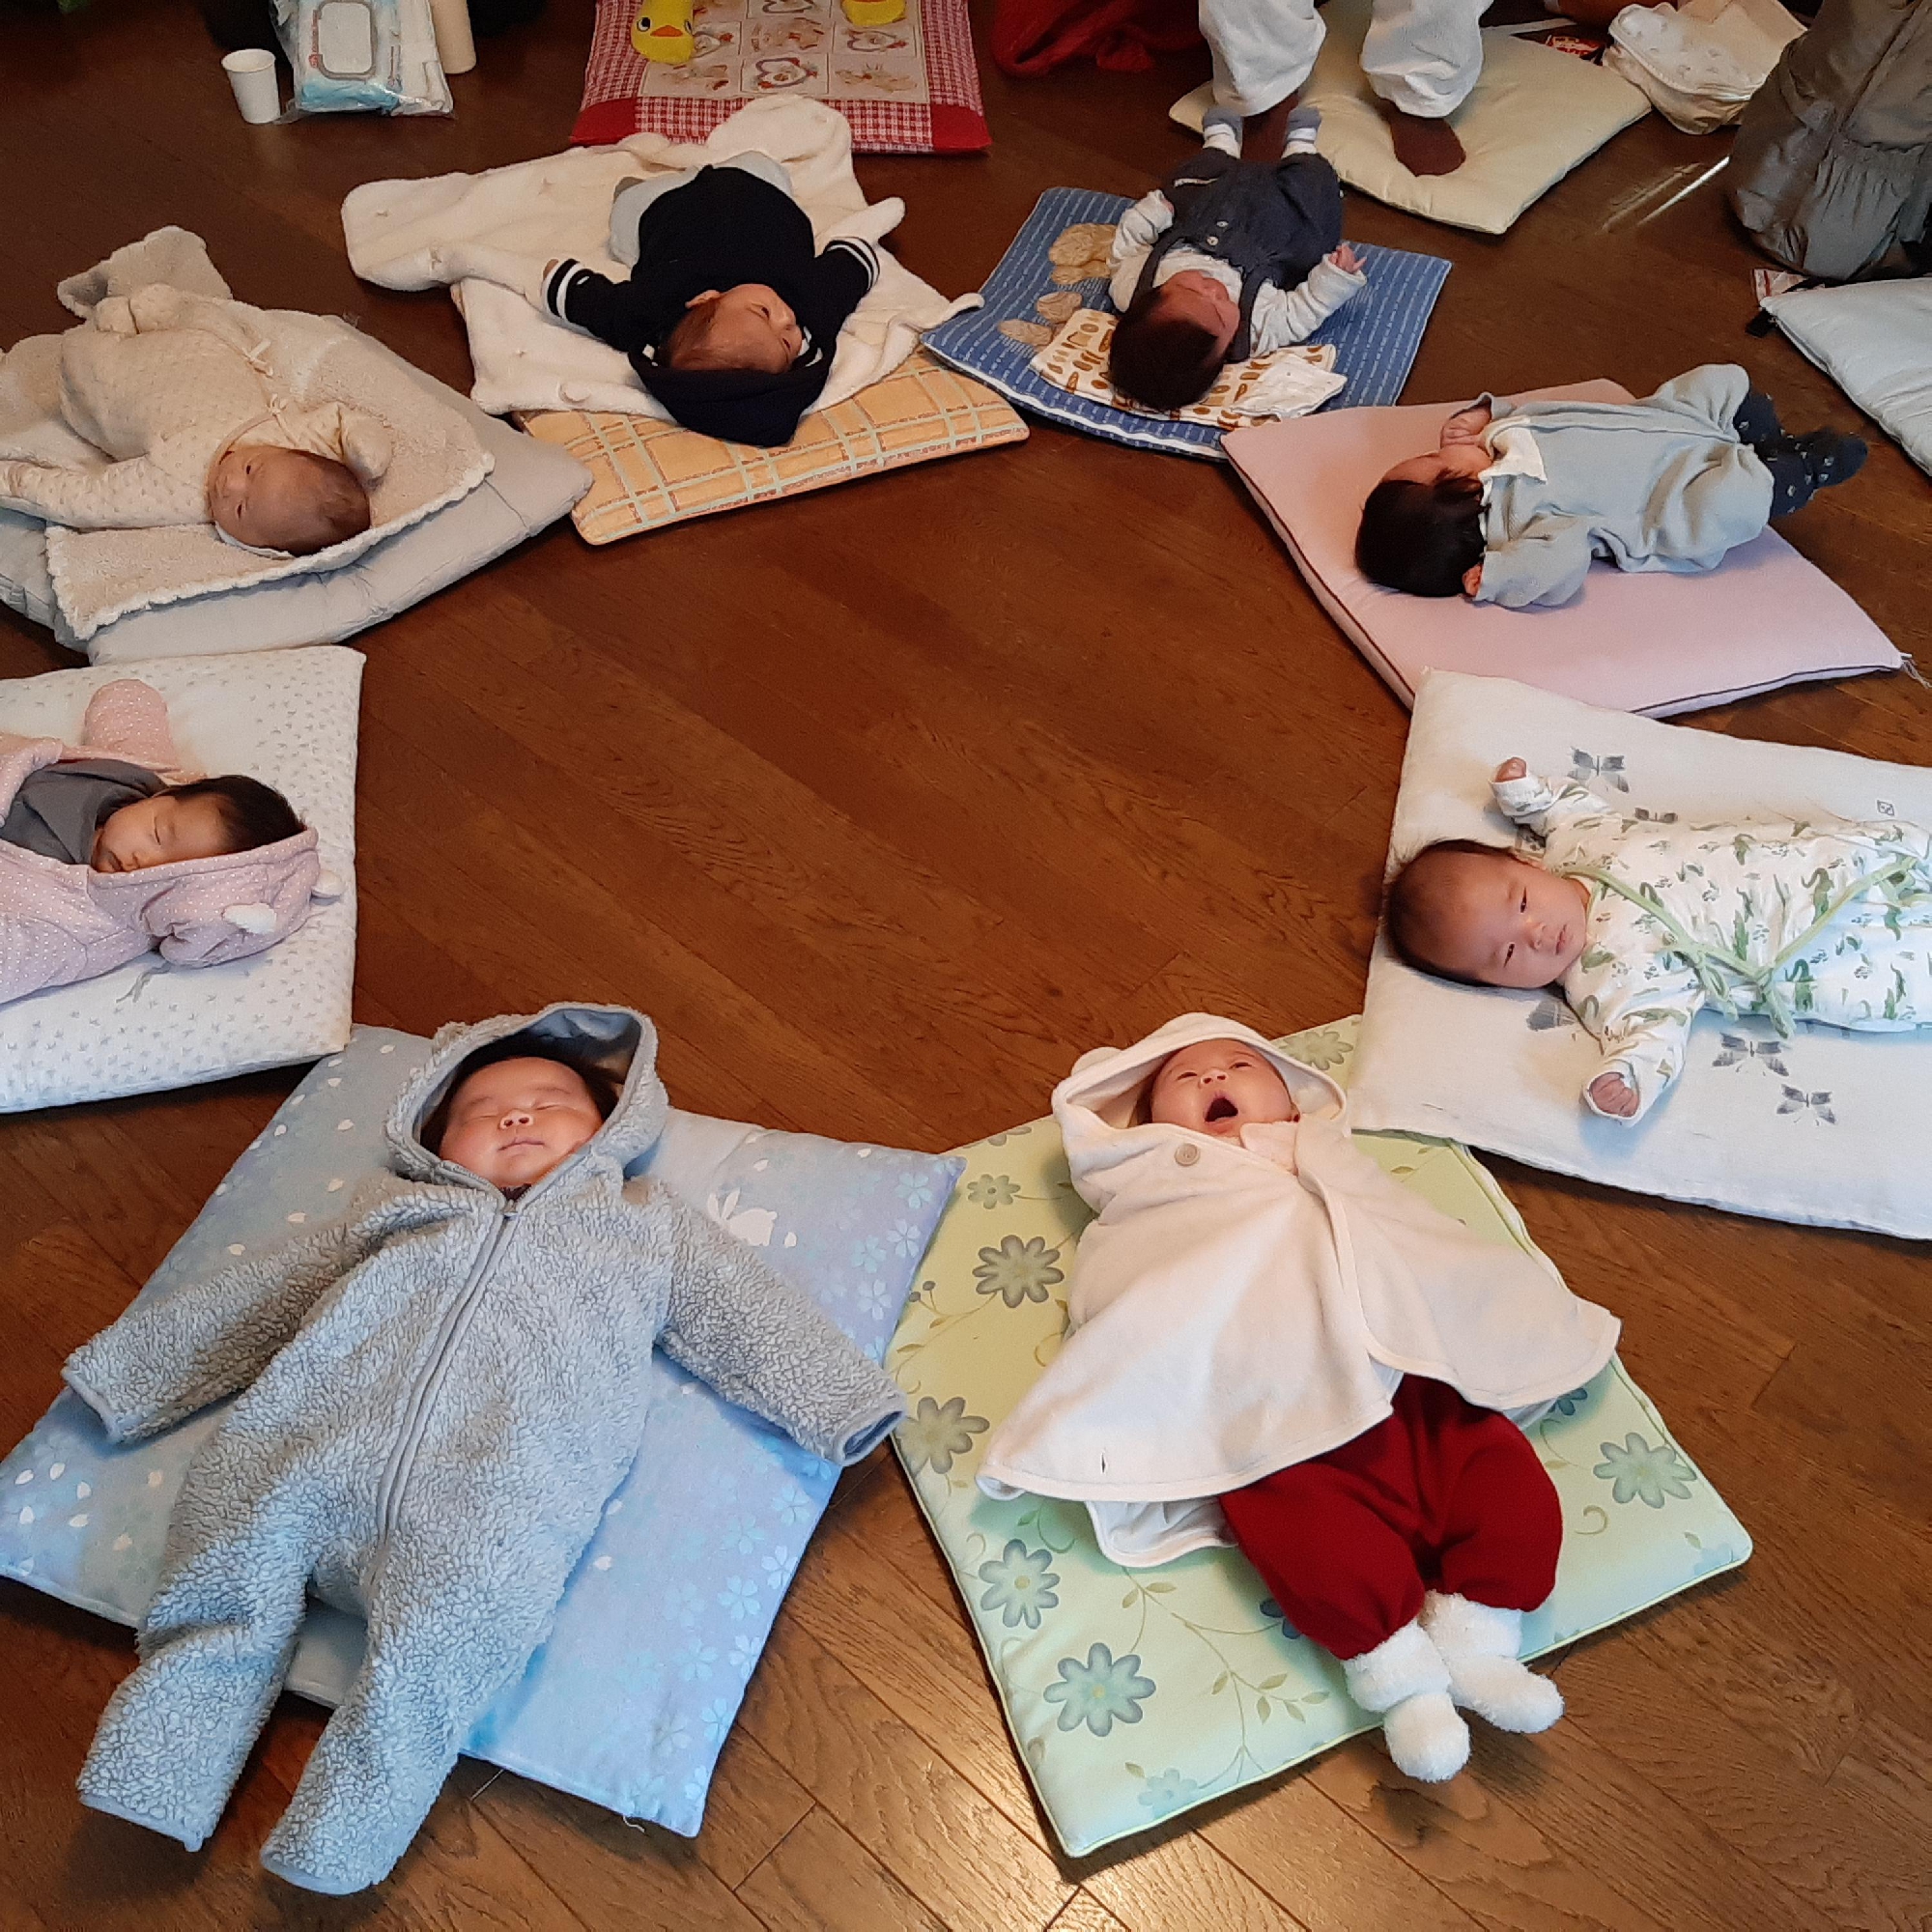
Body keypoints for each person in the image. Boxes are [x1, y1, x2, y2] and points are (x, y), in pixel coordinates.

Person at [63, 1004, 909, 1895]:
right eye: (482, 1110)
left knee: (434, 1671)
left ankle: (342, 1837)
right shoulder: (396, 1211)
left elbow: (746, 1313)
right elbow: (267, 1295)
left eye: (552, 1102)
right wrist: (137, 1372)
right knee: (218, 1591)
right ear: (432, 1137)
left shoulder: (644, 1226)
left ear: (614, 1128)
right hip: (301, 1446)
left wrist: (841, 1400)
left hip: (497, 1497)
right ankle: (156, 1768)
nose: (517, 1116)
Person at [977, 1013, 1619, 1781]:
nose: (1214, 1078)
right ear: (1144, 1129)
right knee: (1307, 1541)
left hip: (1406, 1381)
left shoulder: (1325, 1158)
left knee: (1503, 1483)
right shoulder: (1145, 1199)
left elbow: (1405, 1230)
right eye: (1183, 1078)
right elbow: (1128, 1298)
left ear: (1290, 1102)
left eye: (1241, 1065)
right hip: (1266, 1414)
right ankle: (1400, 1681)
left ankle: (1482, 1639)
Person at [1384, 760, 1932, 1122]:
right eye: (1507, 955)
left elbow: (1566, 807)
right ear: (1494, 985)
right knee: (1899, 978)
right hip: (1817, 954)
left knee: (1881, 852)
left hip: (1807, 870)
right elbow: (1651, 1034)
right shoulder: (1604, 982)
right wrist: (1627, 1077)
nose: (1537, 935)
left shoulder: (1579, 842)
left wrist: (1527, 795)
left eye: (1523, 903)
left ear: (1527, 863)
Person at [440, 154, 882, 447]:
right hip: (743, 194)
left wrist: (555, 279)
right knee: (750, 170)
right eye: (777, 327)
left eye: (782, 334)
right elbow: (849, 267)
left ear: (706, 301)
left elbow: (591, 301)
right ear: (706, 298)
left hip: (703, 198)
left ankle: (639, 190)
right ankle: (648, 189)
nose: (786, 319)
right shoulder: (807, 299)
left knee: (638, 212)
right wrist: (862, 247)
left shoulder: (649, 310)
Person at [1354, 365, 1866, 609]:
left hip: (1670, 422)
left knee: (1721, 380)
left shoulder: (1499, 440)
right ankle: (1801, 467)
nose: (1440, 446)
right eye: (1433, 459)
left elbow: (1543, 414)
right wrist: (1502, 576)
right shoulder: (1523, 523)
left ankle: (1768, 440)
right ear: (1460, 492)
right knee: (1728, 500)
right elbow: (1561, 567)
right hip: (1678, 488)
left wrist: (1487, 413)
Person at [0, 679, 322, 1006]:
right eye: (157, 833)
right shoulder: (135, 777)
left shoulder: (84, 924)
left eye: (162, 876)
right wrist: (130, 695)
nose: (142, 861)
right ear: (162, 796)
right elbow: (128, 712)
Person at [0, 285, 386, 555]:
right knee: (214, 332)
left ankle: (106, 335)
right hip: (190, 355)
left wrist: (15, 479)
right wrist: (366, 451)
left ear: (256, 546)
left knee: (94, 371)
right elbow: (338, 422)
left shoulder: (178, 489)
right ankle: (155, 316)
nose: (230, 484)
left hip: (110, 385)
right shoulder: (285, 436)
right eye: (251, 469)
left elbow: (90, 499)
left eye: (241, 510)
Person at [1106, 105, 1366, 411]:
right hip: (1273, 229)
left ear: (1149, 298)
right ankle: (1302, 147)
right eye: (1221, 310)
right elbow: (1302, 312)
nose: (1212, 290)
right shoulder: (1254, 330)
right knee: (1313, 207)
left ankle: (1220, 141)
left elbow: (1127, 248)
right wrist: (1335, 278)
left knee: (1187, 181)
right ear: (1225, 351)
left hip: (1204, 209)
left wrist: (1151, 214)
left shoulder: (1130, 288)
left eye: (1190, 289)